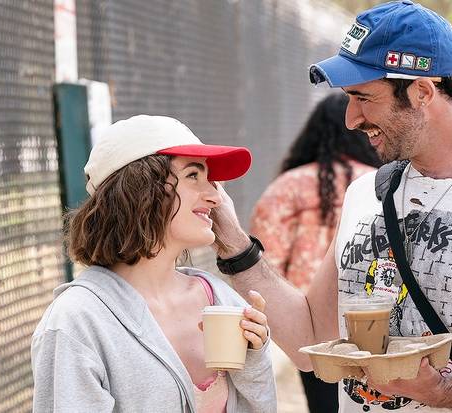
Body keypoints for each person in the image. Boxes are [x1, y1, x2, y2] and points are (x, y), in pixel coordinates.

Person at [210, 2, 452, 412]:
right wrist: (233, 241)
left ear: (422, 92)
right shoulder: (366, 193)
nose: (350, 119)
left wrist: (445, 393)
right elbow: (310, 339)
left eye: (363, 97)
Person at [31, 115, 277, 412]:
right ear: (140, 189)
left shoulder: (220, 299)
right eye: (193, 175)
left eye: (210, 180)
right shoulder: (78, 321)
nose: (216, 197)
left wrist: (254, 360)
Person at [249, 92, 380, 413]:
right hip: (378, 323)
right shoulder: (381, 183)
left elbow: (265, 265)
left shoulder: (287, 188)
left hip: (310, 329)